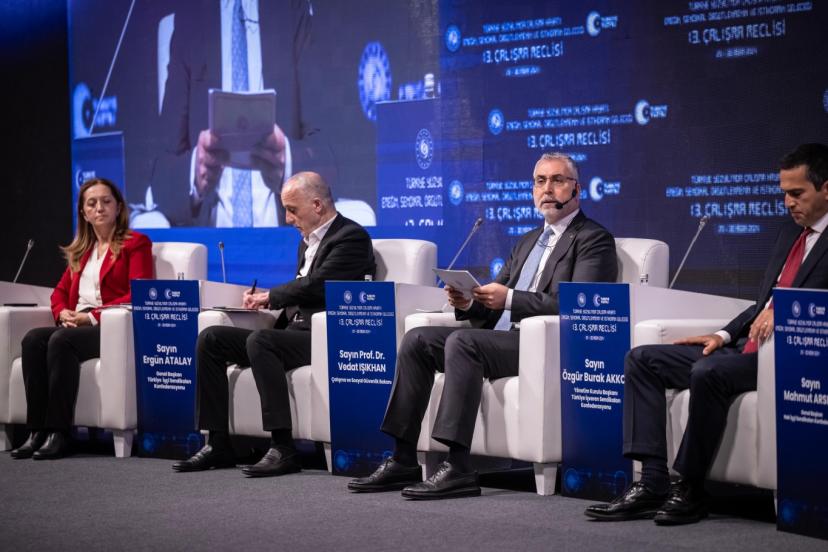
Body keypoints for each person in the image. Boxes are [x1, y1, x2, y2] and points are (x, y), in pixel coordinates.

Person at [348, 152, 619, 499]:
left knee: (463, 343)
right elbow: (494, 304)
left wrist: (509, 298)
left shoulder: (593, 239)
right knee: (417, 339)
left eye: (557, 180)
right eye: (540, 181)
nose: (547, 189)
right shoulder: (528, 241)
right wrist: (469, 302)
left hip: (546, 346)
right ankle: (402, 458)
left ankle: (458, 466)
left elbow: (580, 305)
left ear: (577, 189)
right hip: (502, 339)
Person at [585, 143, 828, 525]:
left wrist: (784, 312)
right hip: (748, 348)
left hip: (794, 357)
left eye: (797, 193)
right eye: (784, 193)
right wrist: (722, 335)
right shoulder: (789, 235)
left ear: (826, 188)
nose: (788, 203)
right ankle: (652, 481)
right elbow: (761, 304)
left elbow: (785, 305)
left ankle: (691, 487)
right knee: (642, 359)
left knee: (708, 372)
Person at [172, 171, 376, 476]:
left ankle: (283, 447)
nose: (288, 218)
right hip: (295, 333)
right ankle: (218, 443)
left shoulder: (351, 237)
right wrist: (269, 303)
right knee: (211, 339)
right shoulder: (306, 243)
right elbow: (302, 290)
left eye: (292, 210)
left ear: (317, 205)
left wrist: (270, 297)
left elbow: (318, 285)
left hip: (327, 337)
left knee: (261, 340)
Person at [150, 0, 331, 227]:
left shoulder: (292, 10)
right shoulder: (191, 18)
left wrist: (288, 166)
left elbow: (328, 148)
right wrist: (196, 174)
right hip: (210, 236)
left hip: (285, 231)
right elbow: (162, 169)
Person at [10, 178, 153, 460]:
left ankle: (60, 433)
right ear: (84, 213)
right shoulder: (82, 251)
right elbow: (60, 293)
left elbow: (139, 292)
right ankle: (36, 430)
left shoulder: (136, 244)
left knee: (61, 340)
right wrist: (61, 312)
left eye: (106, 201)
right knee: (33, 340)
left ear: (118, 207)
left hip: (111, 326)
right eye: (92, 203)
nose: (99, 208)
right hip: (77, 323)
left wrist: (92, 317)